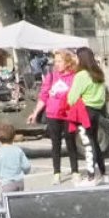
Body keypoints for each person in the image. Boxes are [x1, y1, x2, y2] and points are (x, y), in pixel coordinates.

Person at [29, 49, 83, 185]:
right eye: (55, 61)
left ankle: (75, 171)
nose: (56, 64)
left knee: (71, 143)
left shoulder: (74, 76)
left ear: (67, 62)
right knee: (55, 144)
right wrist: (35, 113)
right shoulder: (51, 76)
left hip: (68, 114)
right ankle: (56, 173)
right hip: (53, 114)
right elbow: (43, 96)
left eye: (60, 61)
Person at [67, 47, 109, 184]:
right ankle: (103, 173)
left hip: (84, 111)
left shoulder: (81, 76)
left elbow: (71, 98)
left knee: (88, 144)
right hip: (96, 111)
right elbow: (103, 97)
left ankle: (91, 176)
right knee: (94, 142)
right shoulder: (98, 74)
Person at [0, 122, 30, 195]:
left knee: (7, 203)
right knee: (18, 201)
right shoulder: (18, 150)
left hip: (7, 183)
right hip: (19, 182)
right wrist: (26, 171)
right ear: (14, 136)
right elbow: (27, 166)